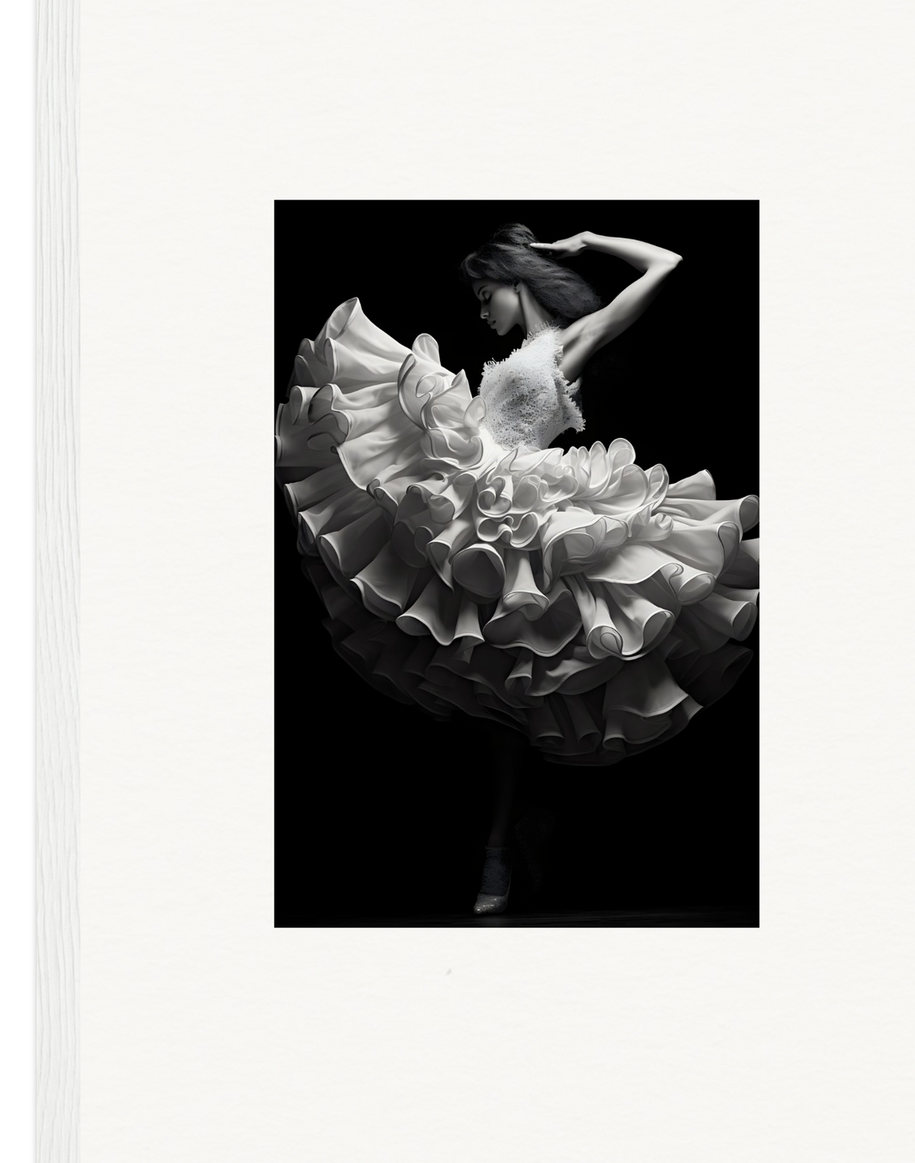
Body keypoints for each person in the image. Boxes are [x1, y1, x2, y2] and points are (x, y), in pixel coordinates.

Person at [275, 223, 758, 916]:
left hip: (529, 506)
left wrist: (586, 241)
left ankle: (504, 846)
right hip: (476, 494)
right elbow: (477, 427)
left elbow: (667, 263)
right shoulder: (519, 351)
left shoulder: (571, 340)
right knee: (494, 691)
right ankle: (505, 843)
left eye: (485, 294)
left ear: (515, 281)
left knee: (520, 687)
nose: (481, 312)